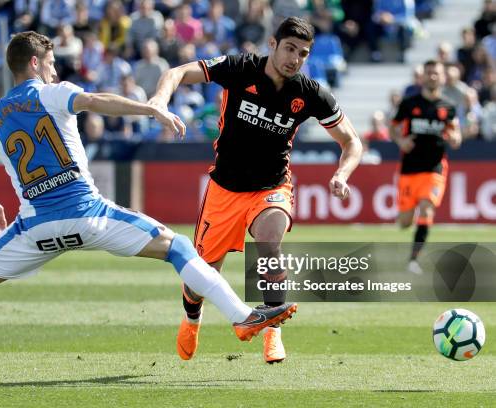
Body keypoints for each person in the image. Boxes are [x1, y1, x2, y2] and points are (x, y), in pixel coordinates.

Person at [0, 31, 297, 386]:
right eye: (51, 64)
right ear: (35, 64)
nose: (54, 72)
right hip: (89, 216)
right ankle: (242, 316)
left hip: (34, 228)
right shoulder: (50, 93)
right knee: (177, 248)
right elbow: (96, 101)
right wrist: (151, 108)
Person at [149, 17, 362, 364]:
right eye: (290, 48)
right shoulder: (239, 67)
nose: (295, 58)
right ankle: (191, 319)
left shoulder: (310, 93)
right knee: (200, 277)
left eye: (303, 53)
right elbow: (177, 72)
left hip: (271, 186)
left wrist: (343, 173)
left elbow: (352, 142)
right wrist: (160, 99)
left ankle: (273, 327)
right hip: (224, 188)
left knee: (269, 239)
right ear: (273, 44)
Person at [389, 60, 462, 275]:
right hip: (410, 168)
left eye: (436, 73)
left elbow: (455, 133)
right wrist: (400, 142)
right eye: (429, 73)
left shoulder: (448, 107)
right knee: (404, 222)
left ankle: (413, 260)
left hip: (435, 167)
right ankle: (408, 221)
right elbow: (393, 128)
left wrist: (455, 138)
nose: (432, 77)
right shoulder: (409, 103)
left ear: (442, 77)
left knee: (427, 207)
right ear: (423, 77)